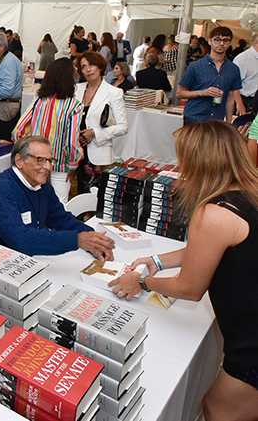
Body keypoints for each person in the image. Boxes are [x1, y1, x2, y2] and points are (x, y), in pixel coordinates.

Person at [107, 121, 258, 420]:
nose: (179, 167)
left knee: (217, 408)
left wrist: (142, 282)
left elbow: (190, 288)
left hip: (250, 341)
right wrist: (159, 261)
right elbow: (218, 249)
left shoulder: (215, 213)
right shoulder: (246, 192)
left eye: (183, 158)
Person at [0, 136, 115, 259]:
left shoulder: (42, 185)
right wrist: (77, 240)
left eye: (50, 160)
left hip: (25, 258)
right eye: (40, 160)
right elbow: (20, 239)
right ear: (19, 161)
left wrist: (95, 240)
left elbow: (61, 219)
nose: (47, 167)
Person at [13, 58, 84, 204]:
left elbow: (19, 129)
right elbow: (71, 142)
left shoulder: (39, 100)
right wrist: (73, 164)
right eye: (74, 71)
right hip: (60, 162)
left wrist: (25, 151)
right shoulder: (74, 106)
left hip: (35, 158)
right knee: (59, 203)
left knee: (32, 200)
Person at [74, 51, 128, 193]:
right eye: (84, 67)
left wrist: (95, 133)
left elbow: (123, 127)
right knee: (78, 194)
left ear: (100, 67)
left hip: (97, 153)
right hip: (76, 152)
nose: (88, 69)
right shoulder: (76, 90)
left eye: (91, 65)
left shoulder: (114, 93)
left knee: (94, 198)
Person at [177, 27, 242, 126]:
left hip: (217, 120)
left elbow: (230, 98)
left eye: (225, 40)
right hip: (195, 117)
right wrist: (203, 92)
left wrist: (228, 124)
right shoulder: (195, 66)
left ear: (230, 43)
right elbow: (180, 93)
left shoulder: (233, 69)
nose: (221, 43)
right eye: (217, 40)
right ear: (210, 41)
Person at [233, 33, 258, 113]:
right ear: (257, 43)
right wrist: (239, 104)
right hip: (245, 101)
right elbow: (233, 84)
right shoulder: (243, 59)